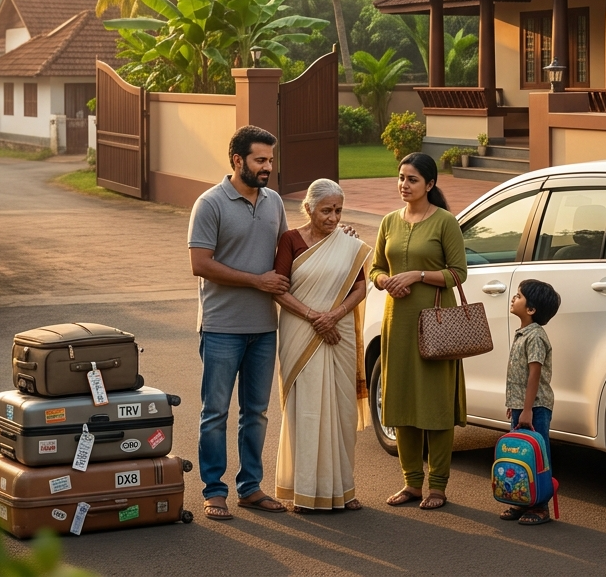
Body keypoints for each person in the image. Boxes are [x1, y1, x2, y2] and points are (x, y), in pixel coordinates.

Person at [188, 125, 290, 520]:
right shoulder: (210, 203)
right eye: (260, 160)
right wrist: (256, 281)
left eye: (270, 160)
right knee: (215, 413)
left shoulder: (274, 201)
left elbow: (288, 254)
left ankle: (250, 488)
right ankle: (214, 491)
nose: (267, 167)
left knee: (257, 413)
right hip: (221, 327)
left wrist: (335, 241)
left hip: (264, 327)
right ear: (237, 160)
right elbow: (201, 264)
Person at [368, 152, 468, 510]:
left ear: (430, 184)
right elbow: (375, 268)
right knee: (402, 402)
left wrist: (417, 275)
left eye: (412, 179)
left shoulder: (444, 222)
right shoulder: (389, 222)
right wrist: (385, 281)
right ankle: (411, 483)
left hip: (437, 325)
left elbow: (458, 273)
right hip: (398, 323)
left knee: (436, 406)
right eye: (401, 178)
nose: (404, 185)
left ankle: (438, 486)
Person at [273, 178, 373, 514]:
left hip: (339, 332)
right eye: (326, 210)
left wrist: (335, 315)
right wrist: (315, 317)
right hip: (300, 330)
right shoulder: (290, 240)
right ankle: (305, 491)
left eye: (338, 210)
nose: (333, 217)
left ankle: (342, 489)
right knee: (307, 410)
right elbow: (279, 289)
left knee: (341, 411)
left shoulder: (347, 243)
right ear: (309, 208)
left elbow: (360, 288)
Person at [499, 279, 561, 525]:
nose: (514, 298)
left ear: (531, 309)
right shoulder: (523, 334)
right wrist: (514, 405)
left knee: (538, 455)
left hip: (535, 408)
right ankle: (523, 500)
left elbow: (534, 375)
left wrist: (527, 409)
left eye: (519, 296)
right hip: (523, 406)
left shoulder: (535, 336)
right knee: (522, 455)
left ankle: (540, 506)